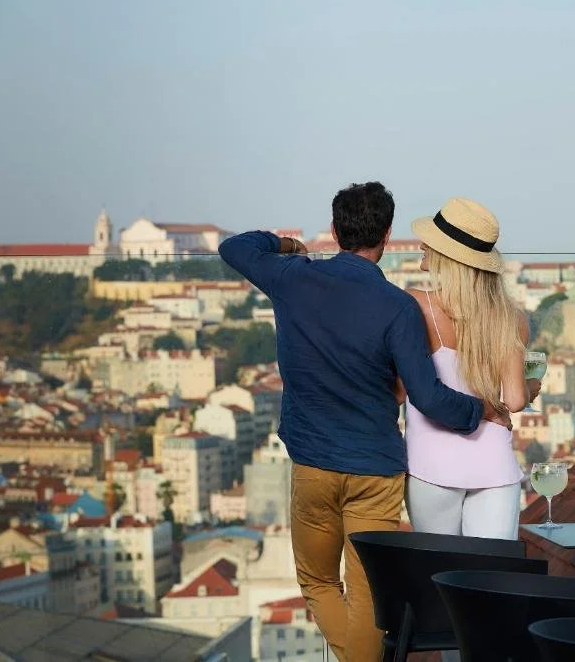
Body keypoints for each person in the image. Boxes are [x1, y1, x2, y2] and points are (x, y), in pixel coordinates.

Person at [219, 182, 510, 662]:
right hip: (376, 471)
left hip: (313, 464)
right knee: (368, 597)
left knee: (317, 581)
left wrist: (288, 245)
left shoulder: (292, 277)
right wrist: (483, 409)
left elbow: (234, 247)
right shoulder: (398, 306)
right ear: (387, 235)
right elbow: (428, 397)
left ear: (334, 231)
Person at [400, 197, 539, 541]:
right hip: (494, 466)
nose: (421, 246)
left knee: (438, 569)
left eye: (430, 243)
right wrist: (533, 385)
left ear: (449, 257)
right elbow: (515, 400)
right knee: (492, 570)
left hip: (431, 465)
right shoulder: (511, 318)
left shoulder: (414, 304)